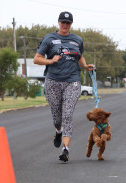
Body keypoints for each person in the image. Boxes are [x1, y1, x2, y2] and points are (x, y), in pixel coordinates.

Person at [33, 11, 94, 162]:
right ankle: (58, 131)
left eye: (68, 23)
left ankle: (65, 149)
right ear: (59, 23)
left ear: (71, 24)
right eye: (63, 22)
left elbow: (79, 56)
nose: (65, 25)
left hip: (72, 80)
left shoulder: (77, 40)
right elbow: (36, 59)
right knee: (57, 116)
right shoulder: (49, 39)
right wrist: (51, 61)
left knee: (67, 114)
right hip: (53, 81)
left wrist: (85, 66)